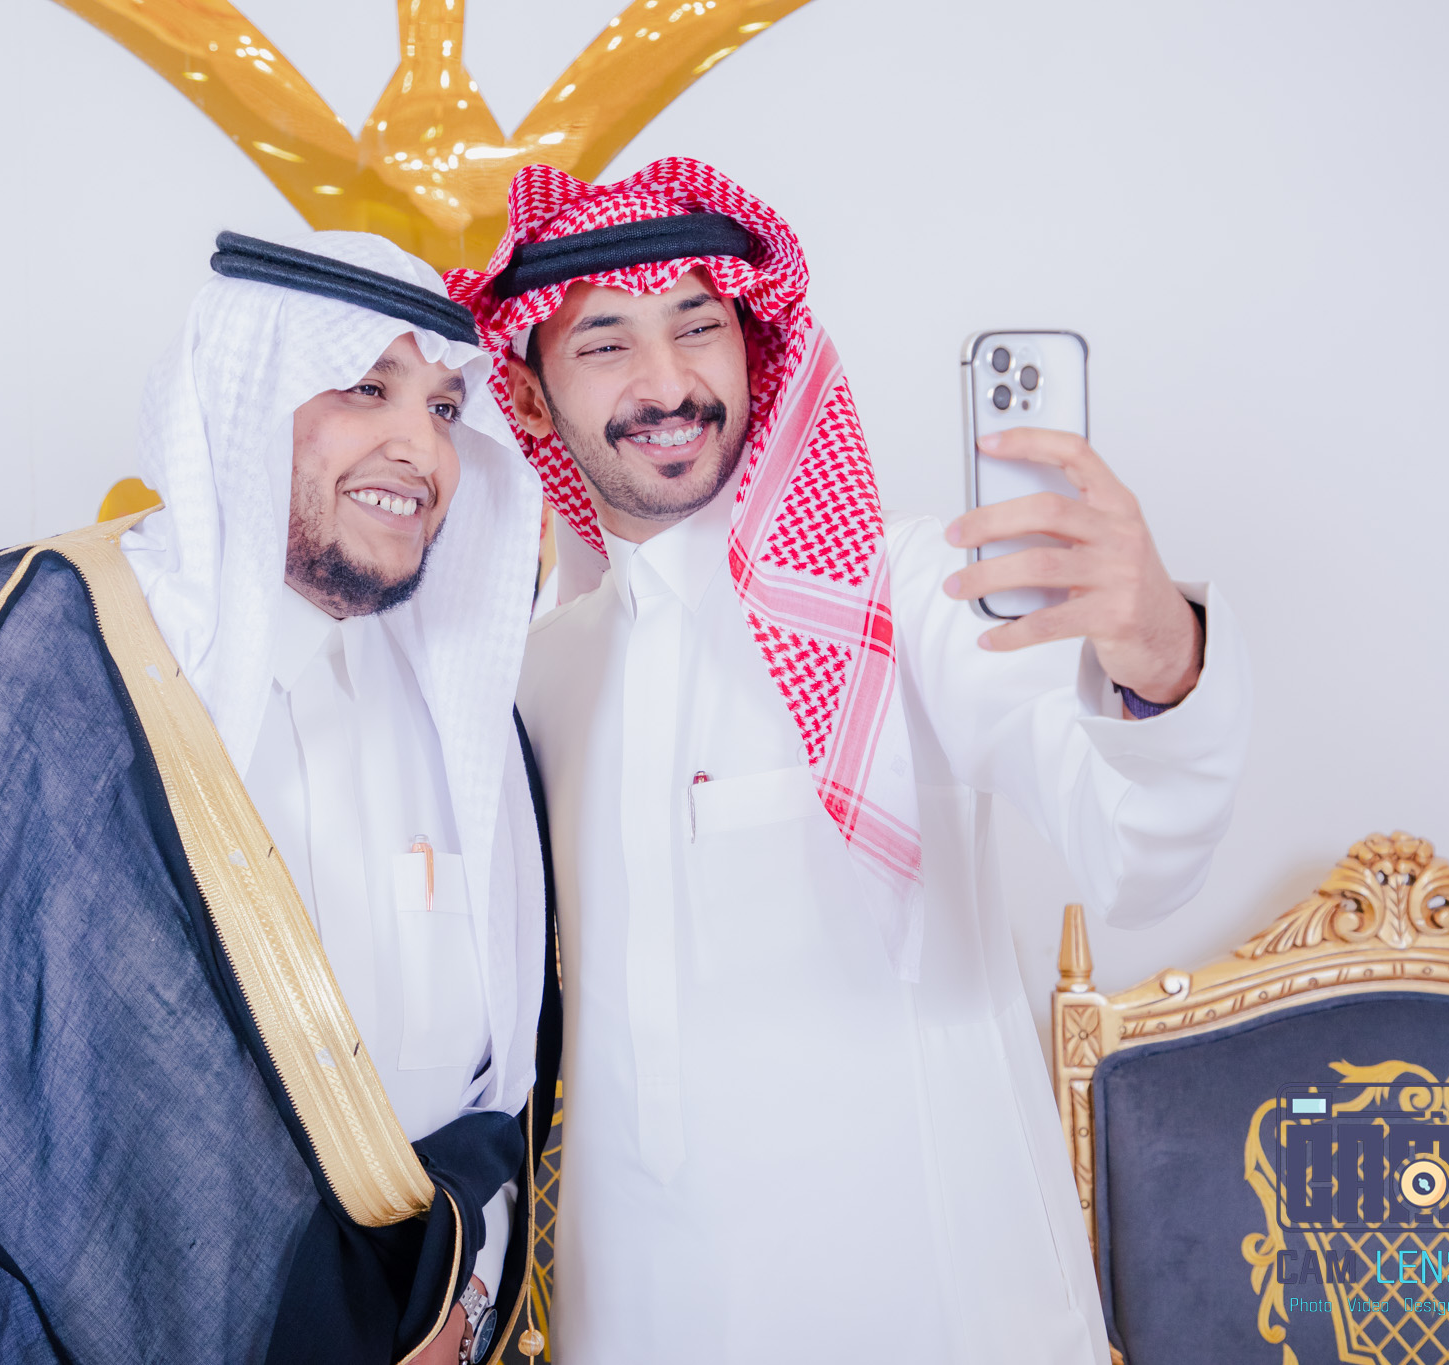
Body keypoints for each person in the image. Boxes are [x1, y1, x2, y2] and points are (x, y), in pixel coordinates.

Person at [0, 231, 556, 1365]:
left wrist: (461, 1307)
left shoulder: (465, 719)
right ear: (242, 394)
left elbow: (496, 1107)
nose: (419, 448)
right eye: (363, 388)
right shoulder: (16, 662)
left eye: (444, 407)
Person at [447, 158, 1251, 1362]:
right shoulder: (542, 675)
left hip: (938, 1313)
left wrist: (1163, 660)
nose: (665, 383)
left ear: (756, 347)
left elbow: (1138, 857)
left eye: (698, 327)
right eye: (604, 343)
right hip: (644, 1317)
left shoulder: (911, 590)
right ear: (526, 396)